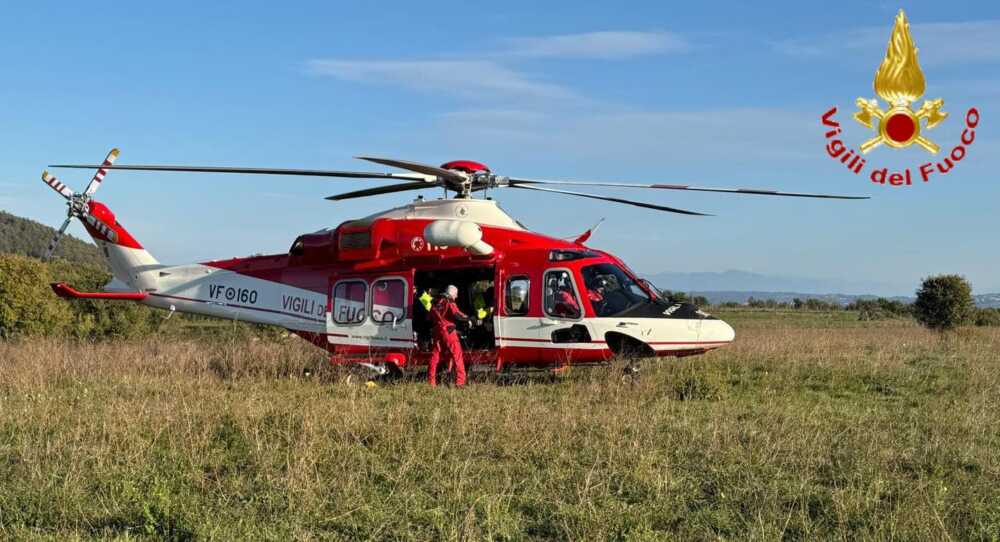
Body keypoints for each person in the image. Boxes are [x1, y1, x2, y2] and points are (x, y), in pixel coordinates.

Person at [428, 284, 471, 387]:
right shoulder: (449, 302)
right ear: (451, 294)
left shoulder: (435, 302)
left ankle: (431, 382)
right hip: (449, 331)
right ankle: (460, 382)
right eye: (456, 294)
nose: (456, 297)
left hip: (437, 332)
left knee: (435, 357)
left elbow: (429, 318)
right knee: (457, 356)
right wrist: (469, 319)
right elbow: (457, 315)